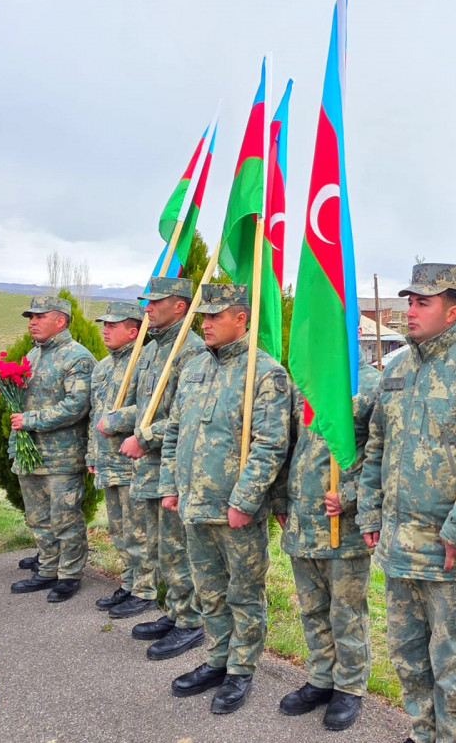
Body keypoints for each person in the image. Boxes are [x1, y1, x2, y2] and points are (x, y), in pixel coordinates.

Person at [357, 263, 456, 743]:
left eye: (422, 302)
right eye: (410, 300)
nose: (411, 310)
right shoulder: (397, 367)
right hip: (398, 546)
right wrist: (368, 511)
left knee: (452, 665)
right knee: (407, 657)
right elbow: (376, 445)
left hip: (446, 550)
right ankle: (423, 734)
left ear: (452, 311)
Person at [158, 284, 291, 714]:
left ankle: (241, 669)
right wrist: (171, 486)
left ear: (242, 319)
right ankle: (217, 659)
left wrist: (245, 501)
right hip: (195, 503)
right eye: (204, 317)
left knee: (243, 593)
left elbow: (270, 444)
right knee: (208, 590)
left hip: (236, 511)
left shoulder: (265, 373)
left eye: (217, 316)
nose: (207, 323)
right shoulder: (195, 367)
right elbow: (175, 432)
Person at [98, 277, 205, 659]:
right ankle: (175, 612)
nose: (147, 308)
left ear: (180, 306)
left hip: (172, 465)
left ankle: (191, 622)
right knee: (160, 549)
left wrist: (143, 437)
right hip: (149, 469)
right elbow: (147, 407)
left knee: (177, 550)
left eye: (155, 302)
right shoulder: (151, 350)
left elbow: (182, 415)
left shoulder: (190, 350)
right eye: (147, 302)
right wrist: (118, 419)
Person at [277, 352, 380, 731]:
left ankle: (350, 686)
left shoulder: (370, 385)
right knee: (312, 609)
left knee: (346, 612)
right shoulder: (308, 382)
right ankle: (321, 678)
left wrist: (350, 493)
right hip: (303, 522)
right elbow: (289, 445)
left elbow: (381, 454)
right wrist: (278, 498)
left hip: (344, 527)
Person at [9, 296, 94, 603]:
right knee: (38, 517)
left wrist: (30, 420)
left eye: (39, 316)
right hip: (30, 452)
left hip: (62, 455)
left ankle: (69, 575)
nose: (32, 321)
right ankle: (47, 569)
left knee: (64, 518)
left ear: (60, 320)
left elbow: (77, 406)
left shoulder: (77, 357)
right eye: (30, 316)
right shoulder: (33, 355)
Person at [86, 301, 156, 618]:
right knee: (119, 531)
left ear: (133, 330)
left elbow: (153, 408)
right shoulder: (103, 366)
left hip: (134, 463)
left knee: (138, 531)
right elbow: (93, 416)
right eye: (104, 324)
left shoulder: (146, 363)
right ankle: (128, 583)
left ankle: (145, 590)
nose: (105, 330)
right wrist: (92, 453)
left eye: (112, 325)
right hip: (107, 462)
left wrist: (114, 422)